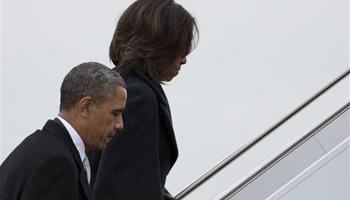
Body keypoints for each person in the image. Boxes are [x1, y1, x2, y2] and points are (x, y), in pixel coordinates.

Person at [89, 0, 199, 199]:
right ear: (159, 44)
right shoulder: (138, 96)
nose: (184, 59)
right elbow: (125, 186)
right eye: (180, 47)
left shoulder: (108, 88)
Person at [0, 62, 127, 200]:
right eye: (115, 113)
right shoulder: (57, 163)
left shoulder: (36, 147)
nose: (120, 125)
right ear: (86, 107)